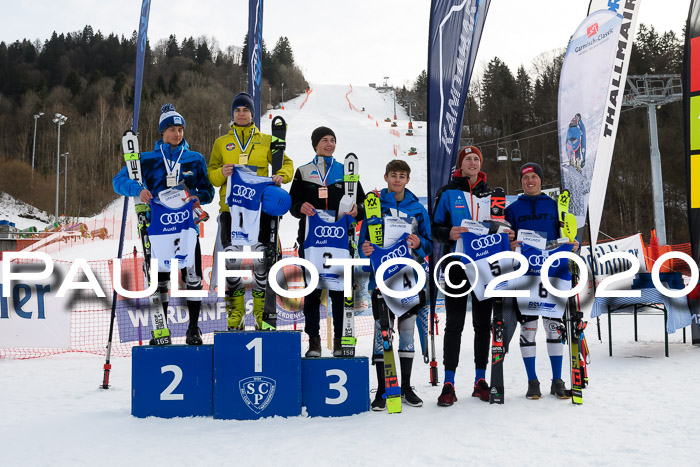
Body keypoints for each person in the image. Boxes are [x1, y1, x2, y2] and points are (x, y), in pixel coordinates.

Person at [113, 103, 214, 345]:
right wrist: (139, 189)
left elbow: (208, 190)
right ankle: (162, 330)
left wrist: (200, 197)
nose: (177, 134)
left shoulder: (195, 158)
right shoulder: (146, 160)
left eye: (180, 129)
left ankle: (193, 329)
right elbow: (119, 181)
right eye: (171, 129)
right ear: (162, 132)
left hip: (187, 227)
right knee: (160, 279)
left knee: (193, 276)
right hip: (158, 228)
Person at [431, 146, 514, 406]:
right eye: (468, 159)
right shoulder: (447, 192)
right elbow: (435, 227)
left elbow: (503, 226)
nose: (473, 162)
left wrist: (508, 235)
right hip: (456, 263)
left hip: (485, 265)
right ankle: (448, 383)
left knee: (482, 324)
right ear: (460, 164)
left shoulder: (493, 194)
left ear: (481, 163)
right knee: (454, 324)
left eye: (477, 159)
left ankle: (480, 381)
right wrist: (449, 233)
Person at [208, 92, 293, 330]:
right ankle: (235, 315)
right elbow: (211, 175)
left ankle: (259, 314)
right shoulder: (221, 142)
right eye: (237, 110)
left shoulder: (266, 140)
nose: (241, 113)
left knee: (261, 261)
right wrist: (220, 173)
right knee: (231, 260)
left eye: (245, 110)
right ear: (232, 114)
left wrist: (280, 175)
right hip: (230, 208)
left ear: (252, 114)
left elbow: (286, 164)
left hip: (258, 208)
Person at [359, 160, 431, 410]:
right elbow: (363, 244)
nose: (397, 180)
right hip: (381, 278)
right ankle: (382, 389)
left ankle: (406, 387)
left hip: (409, 278)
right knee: (382, 333)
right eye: (393, 175)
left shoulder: (417, 208)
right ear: (386, 177)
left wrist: (418, 243)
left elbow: (430, 245)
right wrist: (366, 249)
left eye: (402, 176)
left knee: (407, 332)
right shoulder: (375, 205)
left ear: (408, 179)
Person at [504, 162, 579, 399]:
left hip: (553, 273)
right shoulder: (512, 209)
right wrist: (511, 243)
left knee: (554, 328)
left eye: (534, 176)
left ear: (541, 180)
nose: (530, 181)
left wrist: (573, 244)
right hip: (525, 274)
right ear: (521, 182)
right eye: (526, 178)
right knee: (529, 328)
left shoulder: (555, 205)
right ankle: (532, 381)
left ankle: (557, 380)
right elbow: (505, 240)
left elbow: (567, 234)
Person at [289, 126, 365, 357]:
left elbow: (361, 206)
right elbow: (292, 205)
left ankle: (340, 341)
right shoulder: (303, 171)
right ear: (315, 144)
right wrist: (299, 206)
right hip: (311, 241)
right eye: (325, 140)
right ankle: (314, 341)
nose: (330, 144)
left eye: (333, 140)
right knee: (312, 291)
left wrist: (356, 210)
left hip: (340, 242)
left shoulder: (346, 172)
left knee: (339, 292)